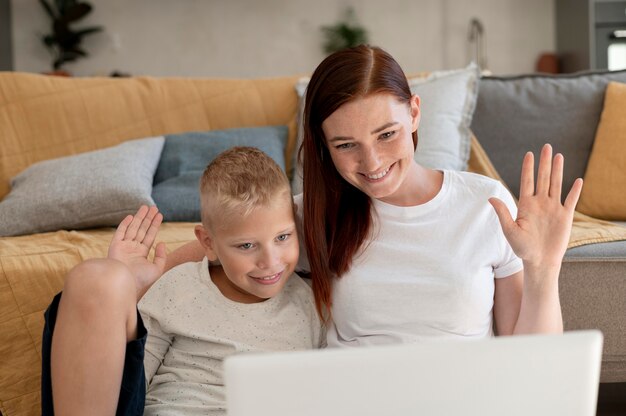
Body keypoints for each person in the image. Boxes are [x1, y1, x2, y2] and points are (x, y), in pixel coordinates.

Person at [168, 45, 582, 347]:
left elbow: (529, 360)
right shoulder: (314, 213)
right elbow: (218, 243)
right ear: (324, 145)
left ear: (415, 112)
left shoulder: (485, 204)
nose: (372, 162)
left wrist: (543, 267)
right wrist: (132, 274)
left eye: (387, 134)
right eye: (346, 145)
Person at [41, 147, 324, 415]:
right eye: (247, 246)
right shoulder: (179, 286)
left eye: (283, 237)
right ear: (208, 243)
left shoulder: (312, 304)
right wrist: (131, 291)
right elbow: (130, 382)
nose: (270, 261)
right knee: (96, 276)